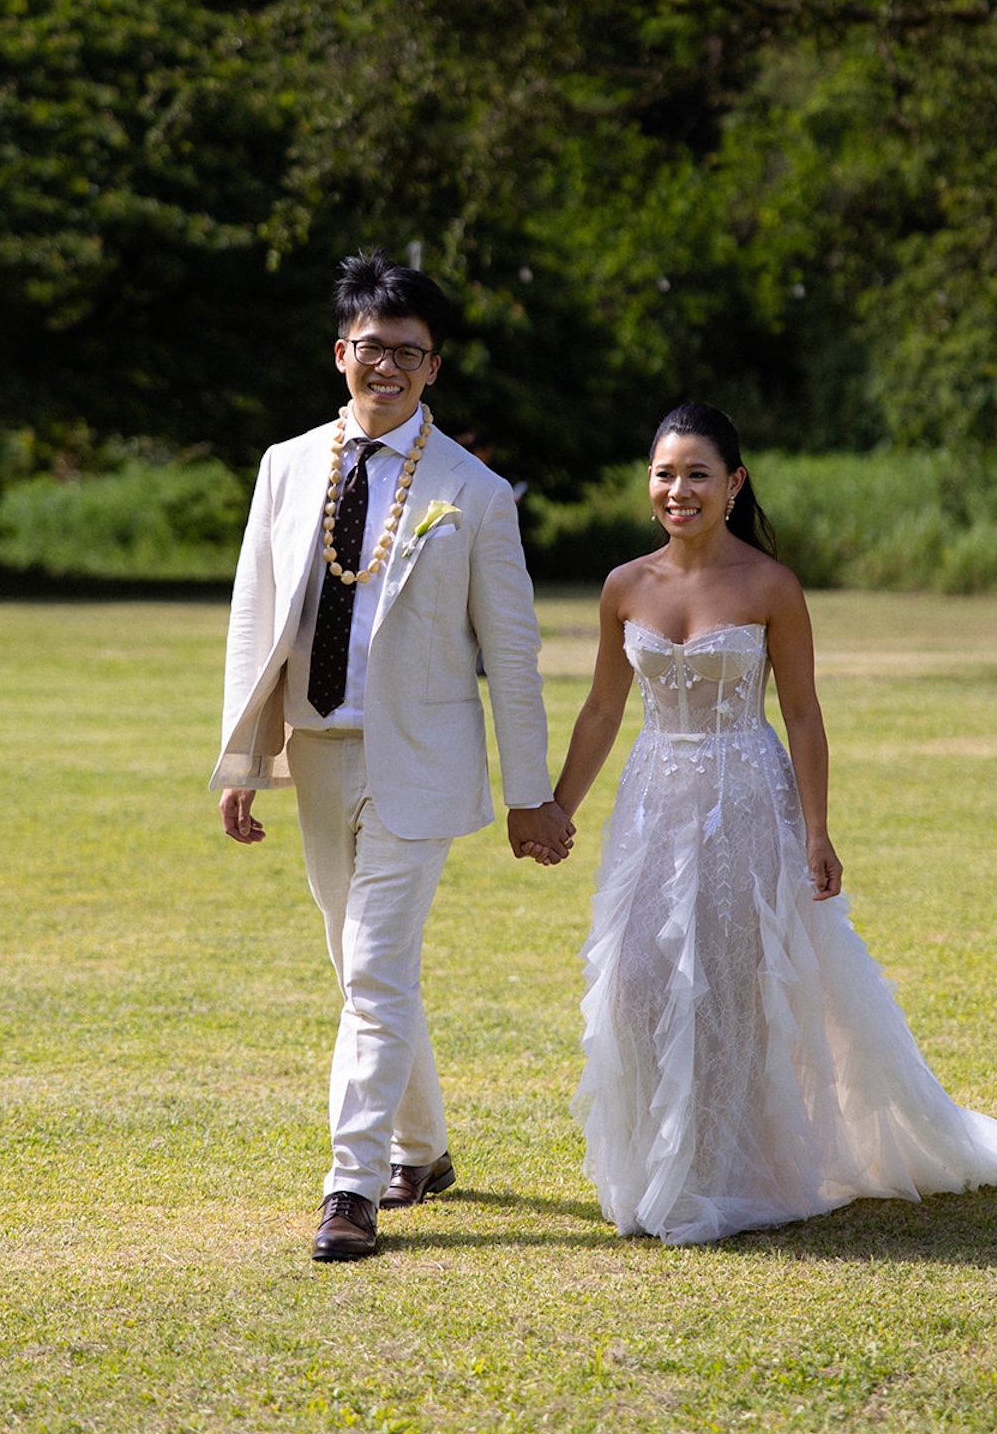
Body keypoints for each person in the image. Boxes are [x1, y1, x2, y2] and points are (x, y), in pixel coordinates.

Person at [550, 401, 997, 1246]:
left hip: (748, 798)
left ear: (734, 483)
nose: (678, 490)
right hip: (654, 802)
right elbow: (604, 707)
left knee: (737, 984)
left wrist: (818, 831)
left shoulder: (769, 585)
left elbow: (802, 713)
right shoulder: (624, 585)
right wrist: (558, 809)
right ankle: (657, 1162)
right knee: (640, 979)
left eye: (697, 474)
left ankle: (729, 1170)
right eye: (664, 474)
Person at [210, 251, 574, 1262]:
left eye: (408, 354)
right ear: (341, 354)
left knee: (372, 969)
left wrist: (529, 794)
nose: (388, 367)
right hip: (316, 752)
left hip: (421, 763)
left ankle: (350, 1187)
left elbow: (513, 658)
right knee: (357, 966)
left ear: (433, 368)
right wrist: (246, 762)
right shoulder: (286, 466)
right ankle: (426, 1146)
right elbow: (255, 619)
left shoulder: (476, 492)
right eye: (372, 348)